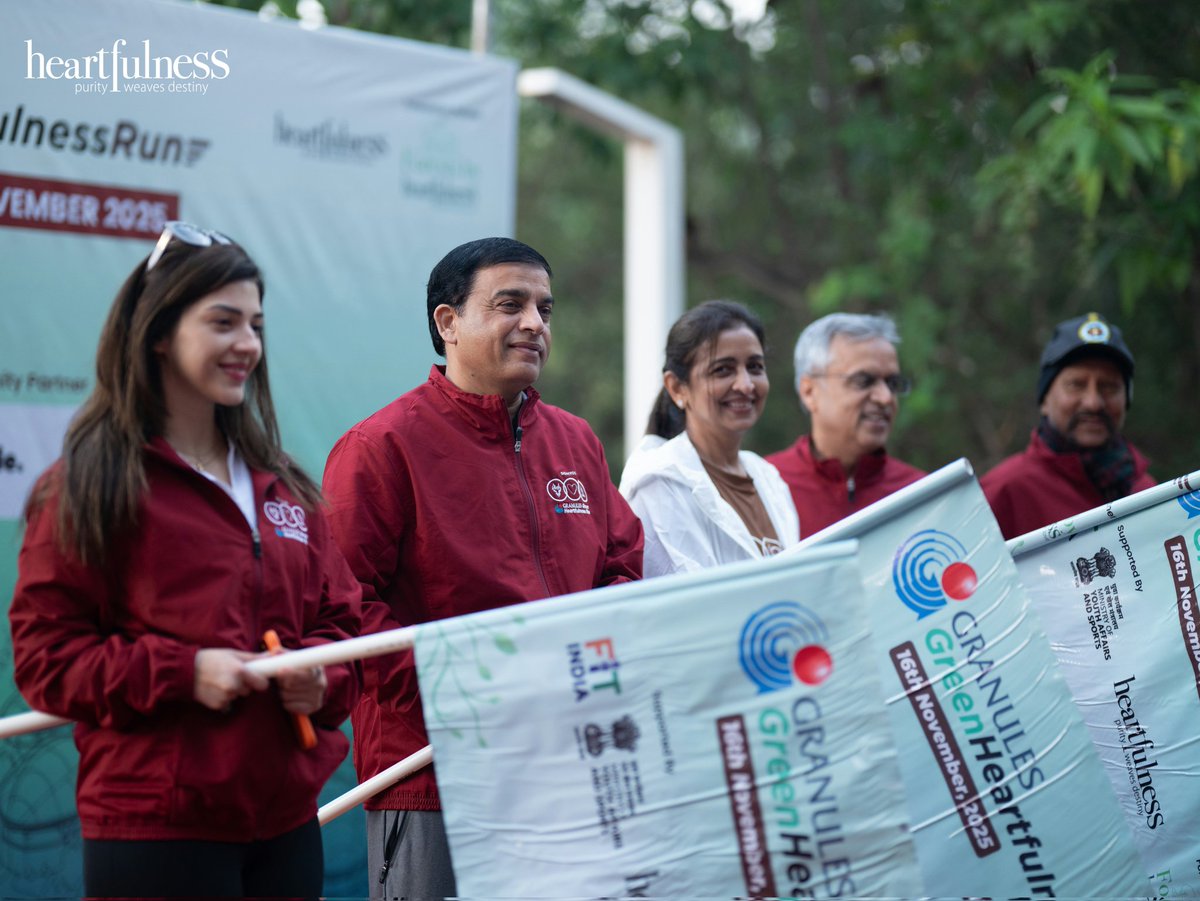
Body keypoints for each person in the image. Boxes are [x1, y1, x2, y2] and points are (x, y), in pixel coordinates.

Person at [8, 222, 362, 899]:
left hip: (287, 822)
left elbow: (343, 623)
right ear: (160, 333)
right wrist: (185, 672)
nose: (247, 344)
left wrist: (321, 678)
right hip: (155, 828)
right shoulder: (90, 484)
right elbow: (46, 658)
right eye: (223, 322)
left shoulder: (283, 484)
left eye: (256, 325)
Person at [321, 236, 644, 901]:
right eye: (510, 304)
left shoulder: (576, 440)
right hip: (436, 775)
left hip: (571, 765)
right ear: (448, 322)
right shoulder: (381, 447)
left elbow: (622, 566)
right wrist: (466, 697)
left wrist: (583, 672)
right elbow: (345, 607)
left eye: (545, 309)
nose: (534, 323)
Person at [619, 300, 799, 576]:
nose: (745, 385)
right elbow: (687, 596)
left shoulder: (768, 478)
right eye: (723, 370)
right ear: (677, 388)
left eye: (755, 367)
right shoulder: (659, 483)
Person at [981, 312, 1154, 539]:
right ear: (1045, 400)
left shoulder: (1149, 494)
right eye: (1076, 385)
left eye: (1109, 387)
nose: (1093, 403)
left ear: (1126, 400)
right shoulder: (1002, 493)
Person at [766, 312, 924, 537]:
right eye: (863, 381)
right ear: (809, 391)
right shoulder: (766, 488)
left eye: (892, 383)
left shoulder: (922, 494)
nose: (885, 398)